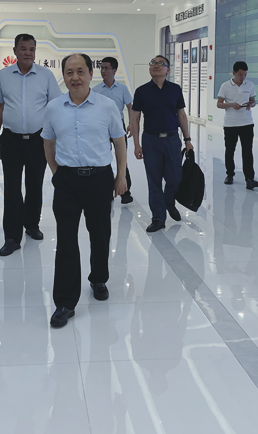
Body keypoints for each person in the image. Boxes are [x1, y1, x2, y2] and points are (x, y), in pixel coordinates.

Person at [42, 54, 127, 328]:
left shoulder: (107, 106)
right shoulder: (54, 107)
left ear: (91, 74)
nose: (75, 77)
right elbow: (48, 142)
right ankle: (65, 302)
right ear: (63, 76)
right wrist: (56, 173)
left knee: (100, 233)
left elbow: (119, 141)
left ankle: (98, 278)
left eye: (80, 71)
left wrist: (120, 176)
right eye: (69, 72)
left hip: (99, 178)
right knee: (66, 240)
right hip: (67, 180)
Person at [0, 34, 61, 257]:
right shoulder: (4, 75)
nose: (28, 53)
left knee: (35, 185)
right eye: (23, 48)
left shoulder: (46, 75)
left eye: (31, 49)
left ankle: (31, 225)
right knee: (11, 188)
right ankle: (12, 237)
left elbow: (55, 107)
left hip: (38, 140)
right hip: (10, 140)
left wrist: (54, 138)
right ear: (15, 51)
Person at [130, 55, 193, 233]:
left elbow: (181, 115)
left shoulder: (175, 89)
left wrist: (187, 140)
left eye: (160, 63)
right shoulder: (142, 91)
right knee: (154, 180)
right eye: (153, 63)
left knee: (175, 178)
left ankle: (169, 202)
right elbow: (135, 118)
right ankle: (158, 218)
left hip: (172, 139)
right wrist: (136, 144)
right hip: (151, 140)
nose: (155, 66)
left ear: (168, 70)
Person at [94, 56, 134, 205]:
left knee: (121, 159)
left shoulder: (122, 89)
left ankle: (125, 192)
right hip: (102, 128)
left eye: (106, 68)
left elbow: (130, 106)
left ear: (114, 70)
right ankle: (106, 190)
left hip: (118, 127)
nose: (103, 71)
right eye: (102, 68)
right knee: (103, 159)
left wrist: (131, 124)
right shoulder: (96, 90)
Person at [217, 61, 258, 189]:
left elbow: (254, 101)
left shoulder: (250, 85)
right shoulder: (225, 86)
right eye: (240, 74)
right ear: (234, 73)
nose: (243, 77)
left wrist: (251, 104)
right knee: (230, 151)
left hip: (247, 123)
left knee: (247, 151)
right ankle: (230, 174)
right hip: (230, 124)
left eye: (245, 74)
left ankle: (249, 179)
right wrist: (231, 105)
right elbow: (219, 104)